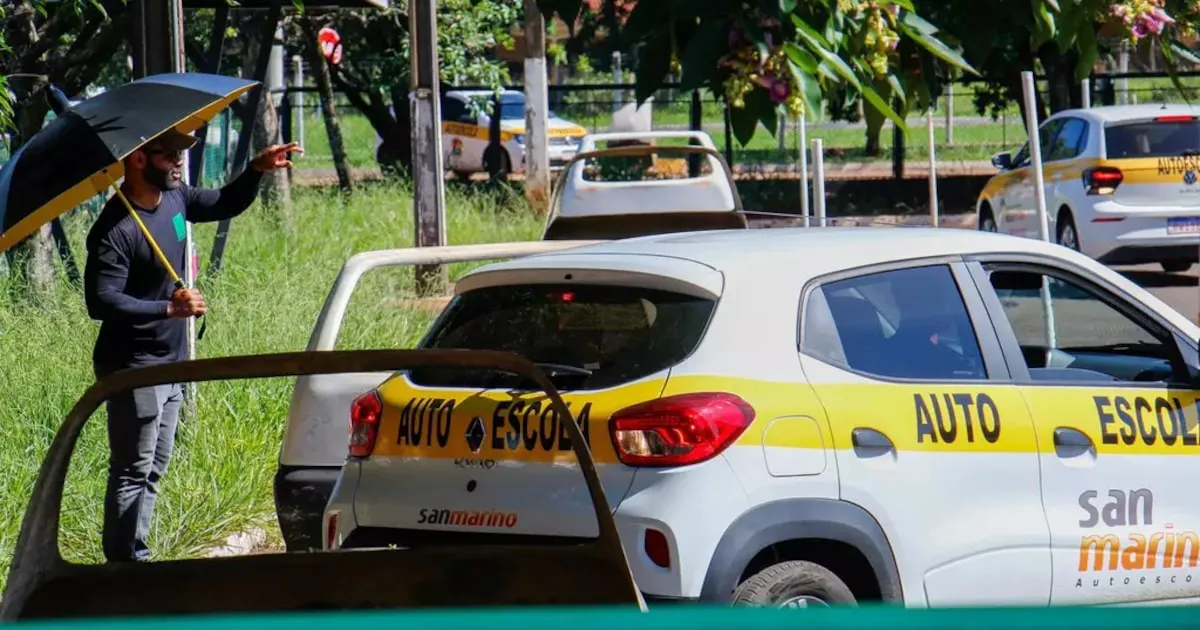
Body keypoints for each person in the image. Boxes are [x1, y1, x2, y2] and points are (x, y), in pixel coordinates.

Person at [83, 127, 301, 563]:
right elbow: (100, 300)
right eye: (169, 156)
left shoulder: (177, 199)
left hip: (172, 361)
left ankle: (135, 555)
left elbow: (224, 202)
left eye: (181, 155)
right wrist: (168, 309)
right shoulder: (115, 228)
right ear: (140, 159)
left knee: (155, 468)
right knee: (132, 470)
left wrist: (255, 171)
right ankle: (123, 567)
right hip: (133, 366)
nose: (179, 163)